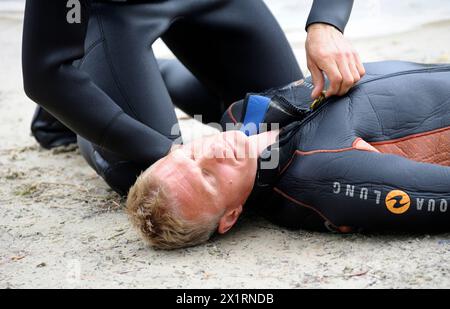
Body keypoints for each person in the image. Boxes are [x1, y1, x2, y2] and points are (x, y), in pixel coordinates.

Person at [22, 0, 364, 195]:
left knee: (283, 129)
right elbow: (45, 73)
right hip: (114, 14)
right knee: (158, 180)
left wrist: (325, 23)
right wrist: (170, 153)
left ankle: (151, 75)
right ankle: (76, 104)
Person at [127, 61, 450, 250]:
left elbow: (158, 70)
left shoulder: (240, 117)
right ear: (230, 217)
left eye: (190, 155)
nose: (212, 153)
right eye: (208, 179)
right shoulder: (320, 180)